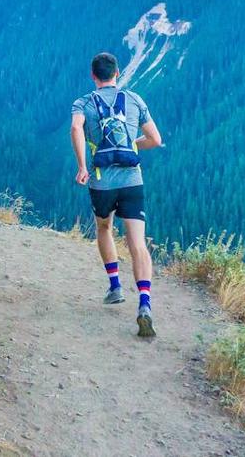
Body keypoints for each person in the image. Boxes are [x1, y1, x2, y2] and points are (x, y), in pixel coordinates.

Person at [70, 52, 163, 338]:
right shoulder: (135, 100)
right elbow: (156, 140)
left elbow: (76, 127)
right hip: (132, 180)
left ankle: (115, 286)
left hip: (102, 182)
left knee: (104, 227)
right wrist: (131, 146)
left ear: (93, 75)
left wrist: (83, 166)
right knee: (137, 243)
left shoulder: (83, 102)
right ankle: (145, 304)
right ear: (117, 73)